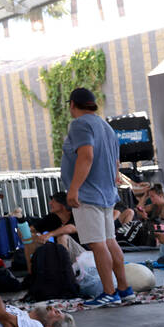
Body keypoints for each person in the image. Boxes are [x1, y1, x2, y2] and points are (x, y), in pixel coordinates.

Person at [60, 87, 131, 308]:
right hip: (107, 193)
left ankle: (109, 293)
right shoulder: (106, 127)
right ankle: (124, 289)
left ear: (72, 104)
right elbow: (116, 164)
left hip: (88, 195)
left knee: (98, 244)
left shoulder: (80, 124)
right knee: (110, 241)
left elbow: (86, 155)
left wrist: (74, 189)